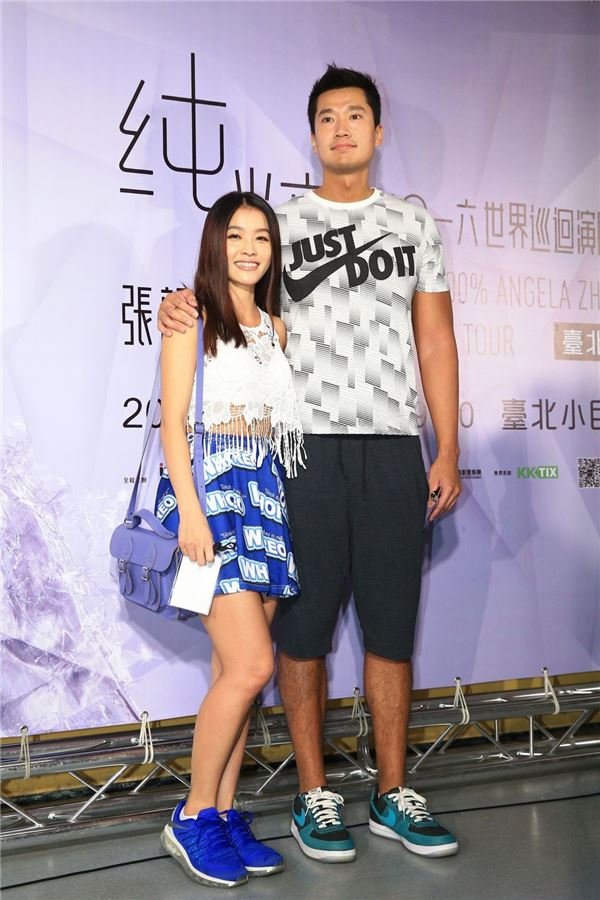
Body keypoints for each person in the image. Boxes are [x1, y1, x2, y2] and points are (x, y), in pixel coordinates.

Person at [158, 65, 462, 863]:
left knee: (390, 627)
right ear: (312, 133)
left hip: (392, 447)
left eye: (355, 115)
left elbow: (435, 338)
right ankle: (309, 795)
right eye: (326, 117)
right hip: (299, 456)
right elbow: (225, 294)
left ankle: (391, 793)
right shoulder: (281, 225)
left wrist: (448, 444)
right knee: (295, 634)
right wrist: (179, 303)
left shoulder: (413, 223)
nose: (341, 128)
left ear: (378, 131)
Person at [158, 191, 304, 888]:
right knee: (252, 667)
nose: (249, 249)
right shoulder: (191, 315)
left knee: (233, 676)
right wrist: (190, 512)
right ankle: (192, 817)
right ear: (215, 243)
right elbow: (173, 425)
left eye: (262, 237)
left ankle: (219, 810)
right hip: (210, 499)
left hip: (263, 501)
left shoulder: (276, 327)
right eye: (235, 235)